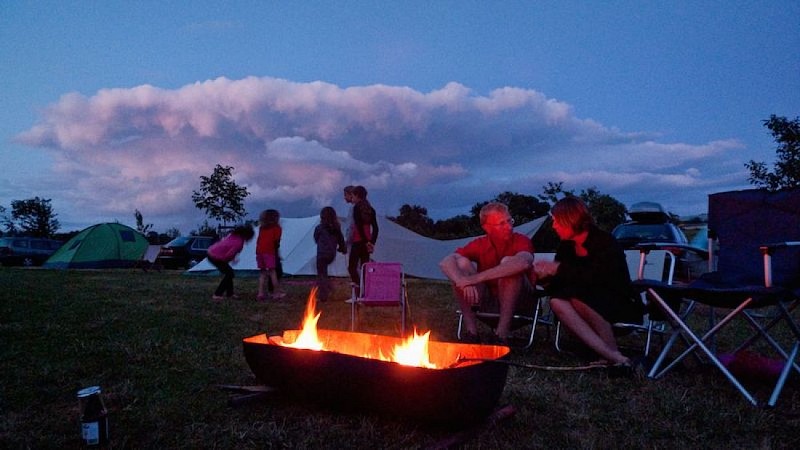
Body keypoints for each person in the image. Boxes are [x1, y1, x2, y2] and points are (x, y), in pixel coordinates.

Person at [533, 196, 643, 371]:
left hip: (620, 304)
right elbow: (560, 287)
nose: (553, 226)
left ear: (571, 219)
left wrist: (559, 269)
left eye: (556, 221)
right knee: (557, 301)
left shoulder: (605, 243)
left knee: (576, 297)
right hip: (584, 304)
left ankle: (610, 355)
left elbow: (602, 280)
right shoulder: (566, 248)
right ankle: (613, 356)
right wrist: (543, 277)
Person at [439, 202, 535, 344]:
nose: (509, 227)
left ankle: (500, 336)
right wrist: (462, 281)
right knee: (461, 264)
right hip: (489, 303)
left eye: (510, 220)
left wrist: (474, 279)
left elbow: (524, 262)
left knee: (509, 266)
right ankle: (472, 334)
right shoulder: (481, 244)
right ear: (487, 228)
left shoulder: (521, 241)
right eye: (501, 224)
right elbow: (446, 261)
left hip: (521, 303)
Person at [206, 225, 255, 301]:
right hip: (215, 256)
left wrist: (231, 259)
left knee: (229, 273)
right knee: (230, 274)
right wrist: (231, 260)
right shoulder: (239, 243)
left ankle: (230, 294)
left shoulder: (233, 236)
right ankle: (217, 294)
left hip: (211, 252)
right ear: (247, 235)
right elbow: (228, 255)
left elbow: (228, 248)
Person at [348, 185, 379, 294]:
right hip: (368, 242)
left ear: (357, 195)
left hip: (358, 241)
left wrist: (366, 241)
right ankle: (366, 292)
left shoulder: (356, 208)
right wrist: (371, 242)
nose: (353, 199)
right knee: (364, 268)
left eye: (353, 196)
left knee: (352, 267)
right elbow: (376, 228)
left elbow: (359, 226)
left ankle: (358, 290)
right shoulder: (371, 210)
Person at [314, 206, 347, 302]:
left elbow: (316, 239)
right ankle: (330, 289)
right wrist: (343, 249)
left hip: (321, 254)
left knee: (321, 275)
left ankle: (323, 296)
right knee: (324, 274)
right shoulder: (336, 228)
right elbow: (341, 240)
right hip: (331, 254)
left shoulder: (319, 228)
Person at [256, 209, 286, 301]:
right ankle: (276, 293)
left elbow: (259, 240)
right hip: (269, 252)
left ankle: (260, 293)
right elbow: (276, 242)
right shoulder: (277, 228)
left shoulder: (262, 228)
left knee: (262, 273)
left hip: (259, 252)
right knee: (273, 272)